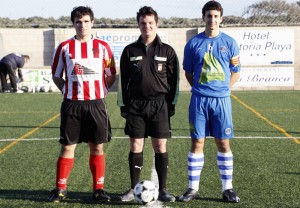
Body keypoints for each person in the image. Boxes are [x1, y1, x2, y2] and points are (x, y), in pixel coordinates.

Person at [48, 6, 116, 203]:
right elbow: (56, 75)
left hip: (96, 104)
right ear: (73, 24)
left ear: (92, 23)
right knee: (68, 147)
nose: (82, 25)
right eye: (78, 22)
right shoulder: (64, 47)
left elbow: (111, 74)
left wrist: (100, 91)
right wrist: (68, 90)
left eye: (86, 21)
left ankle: (98, 190)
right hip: (72, 105)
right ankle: (60, 189)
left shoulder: (103, 46)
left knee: (97, 147)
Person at [178, 1, 241, 203]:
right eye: (209, 16)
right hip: (199, 100)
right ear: (203, 18)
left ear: (221, 18)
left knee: (223, 142)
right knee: (197, 142)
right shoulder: (193, 44)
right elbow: (188, 72)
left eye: (215, 16)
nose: (212, 20)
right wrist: (200, 88)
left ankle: (228, 188)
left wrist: (223, 90)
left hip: (221, 102)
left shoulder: (230, 43)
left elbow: (236, 72)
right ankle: (192, 188)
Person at [117, 6, 179, 203]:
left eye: (150, 23)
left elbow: (174, 81)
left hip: (159, 105)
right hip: (136, 105)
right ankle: (132, 189)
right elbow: (122, 82)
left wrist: (172, 104)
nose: (147, 26)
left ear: (156, 24)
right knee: (136, 144)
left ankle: (163, 190)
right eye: (143, 23)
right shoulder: (129, 51)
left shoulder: (167, 51)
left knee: (160, 145)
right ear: (138, 25)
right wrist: (123, 105)